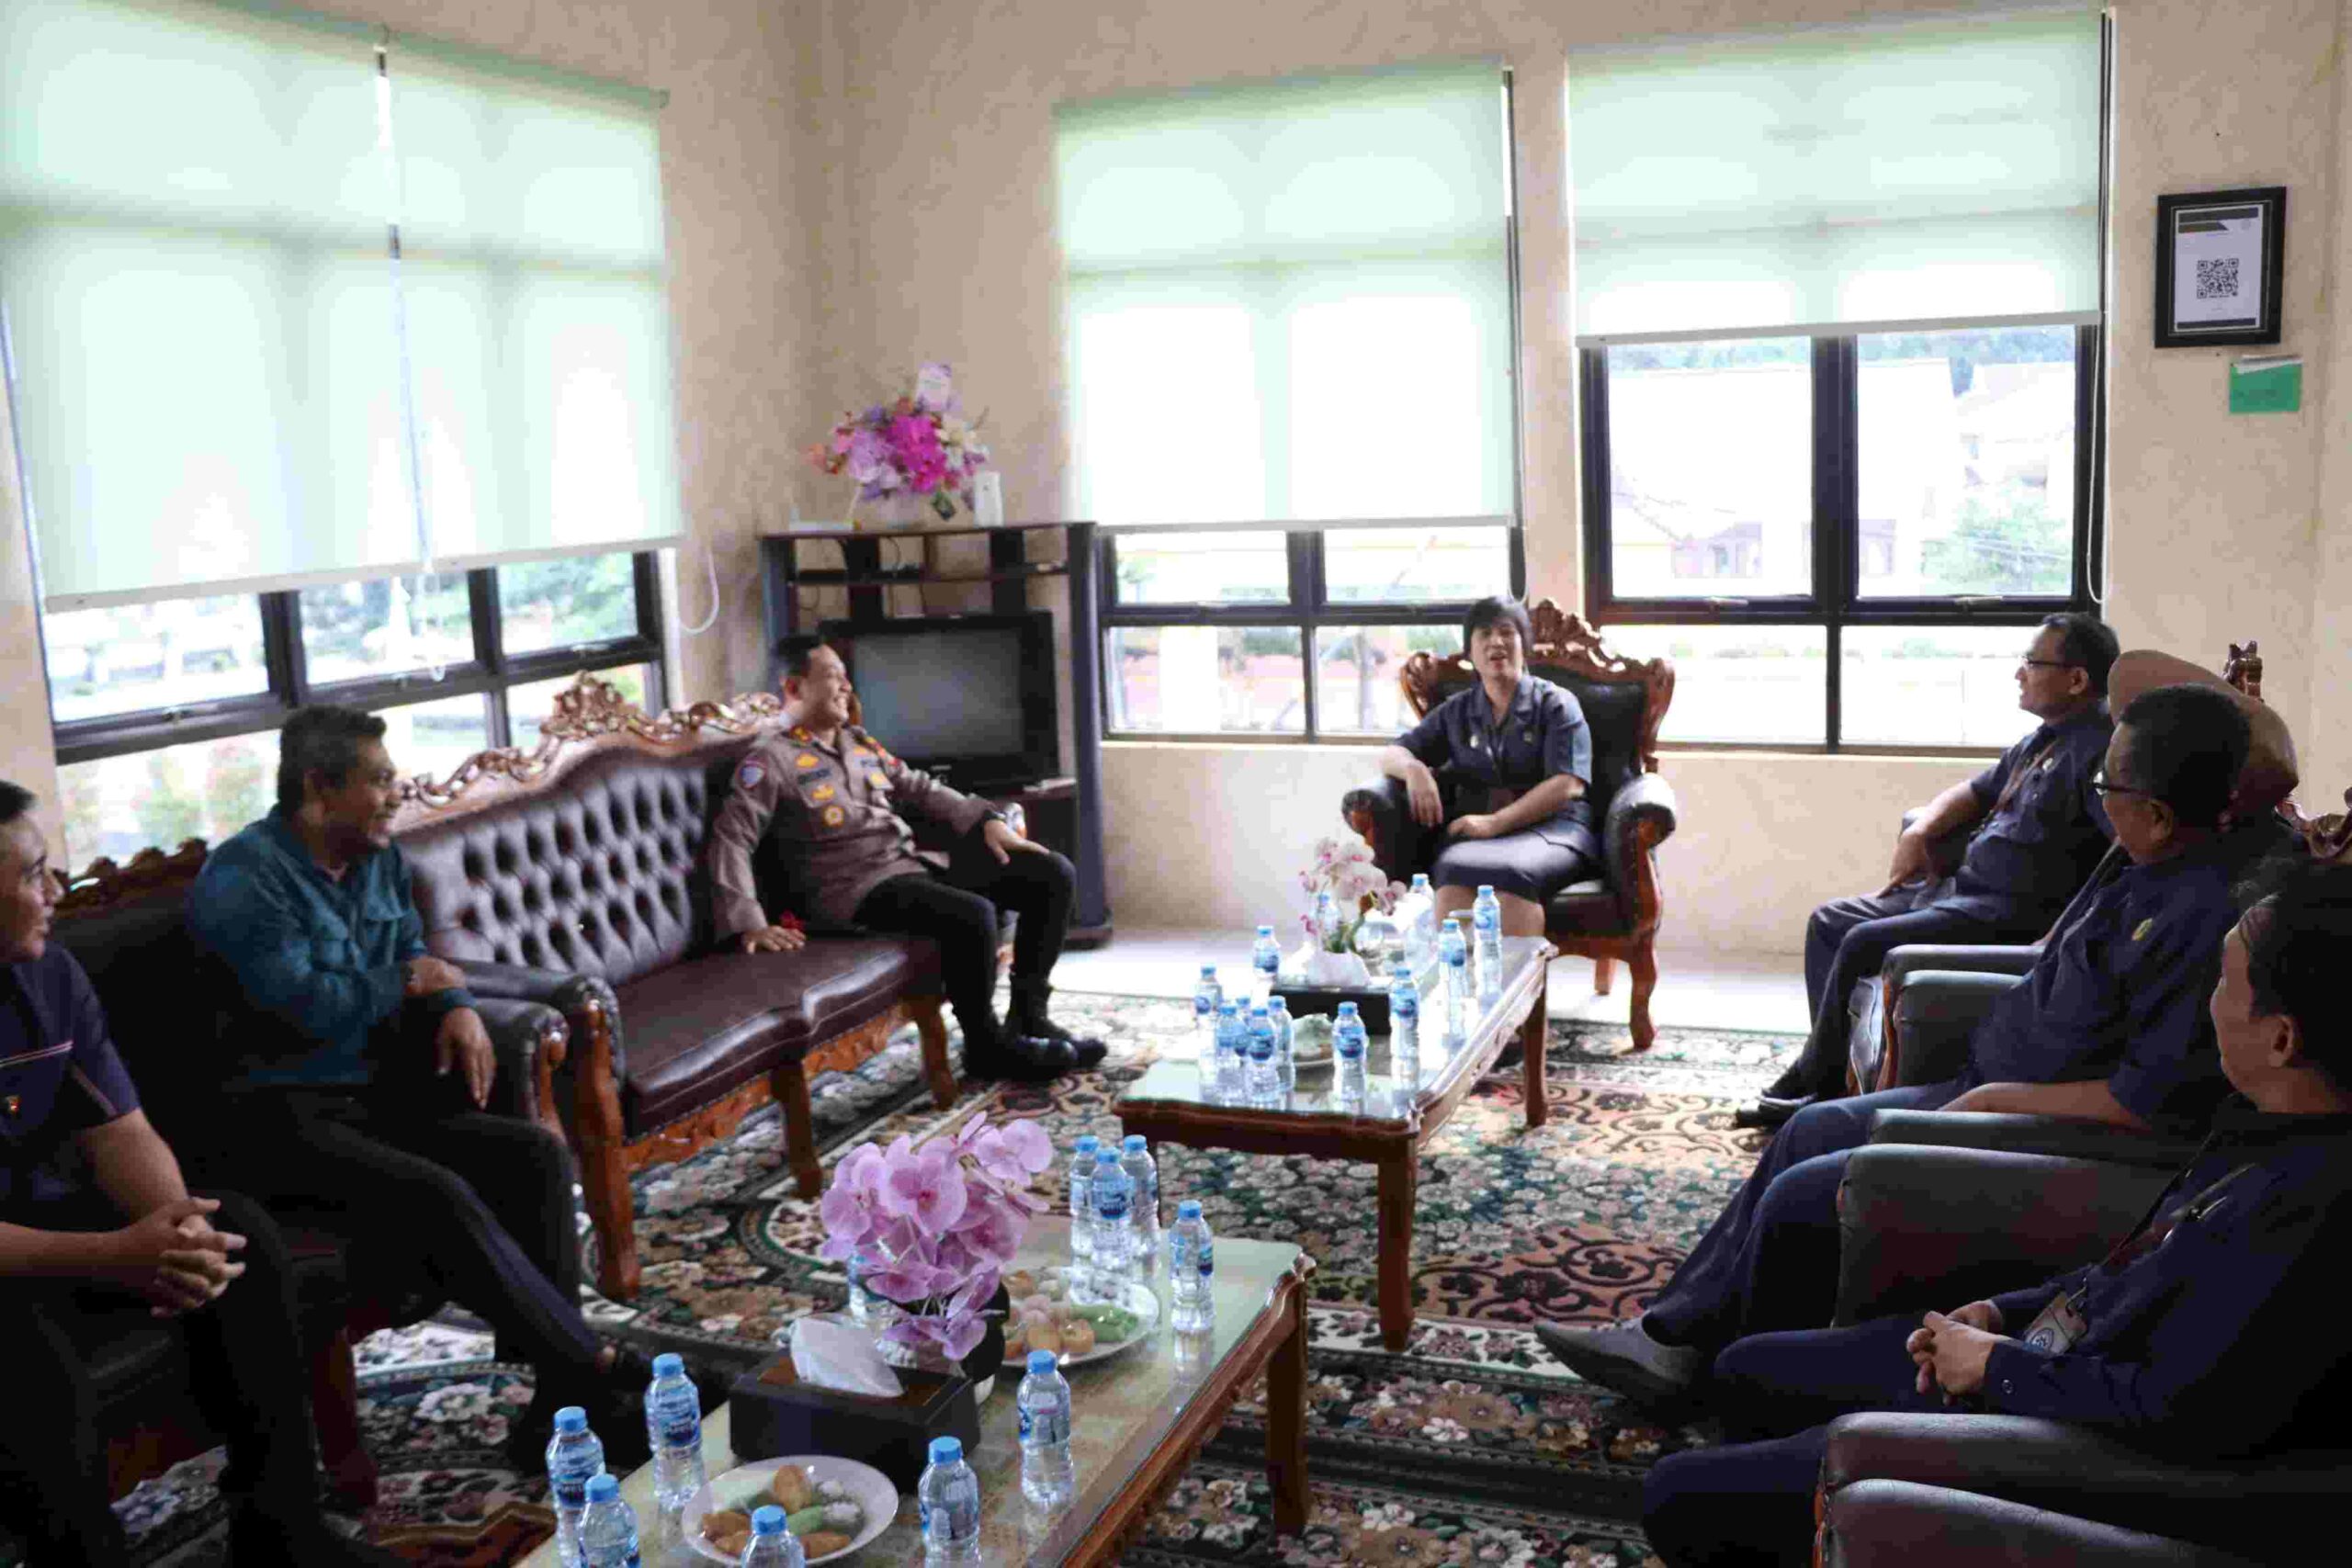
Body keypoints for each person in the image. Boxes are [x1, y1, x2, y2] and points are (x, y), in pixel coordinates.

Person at [1534, 684, 2250, 1404]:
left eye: (2107, 785)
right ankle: (1670, 1335)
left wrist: (1996, 1097)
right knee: (1803, 1130)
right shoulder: (2137, 856)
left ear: (2158, 814)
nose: (2098, 795)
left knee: (1800, 1193)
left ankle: (1719, 1369)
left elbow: (2140, 1103)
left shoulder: (2199, 917)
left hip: (2025, 1120)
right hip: (1981, 1080)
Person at [1639, 856, 2352, 1566]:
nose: (2208, 1002)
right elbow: (2125, 1270)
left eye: (2224, 984)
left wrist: (1995, 1367)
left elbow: (2172, 1411)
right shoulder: (2257, 1125)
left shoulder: (2309, 1214)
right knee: (1745, 1370)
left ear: (2282, 1037)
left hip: (2058, 1433)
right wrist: (2000, 1312)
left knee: (1677, 1495)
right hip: (2043, 1353)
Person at [184, 706, 668, 1469]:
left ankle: (559, 1408)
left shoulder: (375, 857)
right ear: (318, 788)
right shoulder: (245, 879)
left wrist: (457, 1005)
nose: (396, 792)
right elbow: (304, 1007)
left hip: (371, 1101)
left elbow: (416, 950)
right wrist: (409, 980)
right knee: (438, 1194)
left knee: (535, 1157)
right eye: (379, 780)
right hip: (271, 1122)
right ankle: (597, 1367)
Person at [0, 782, 403, 1567]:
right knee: (25, 1358)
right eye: (30, 874)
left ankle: (280, 1527)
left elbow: (121, 1130)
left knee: (235, 1235)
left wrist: (179, 1229)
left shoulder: (49, 975)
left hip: (41, 1219)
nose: (53, 890)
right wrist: (113, 1255)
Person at [1744, 614, 2120, 1128]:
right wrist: (1919, 832)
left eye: (2032, 663)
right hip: (1957, 892)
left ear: (2076, 679)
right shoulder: (2043, 740)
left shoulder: (2098, 752)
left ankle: (1811, 1083)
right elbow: (1972, 792)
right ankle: (1830, 1067)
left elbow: (2120, 850)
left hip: (2004, 914)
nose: (2019, 674)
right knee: (1830, 921)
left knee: (1862, 940)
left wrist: (2062, 929)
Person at [709, 636, 1105, 1083]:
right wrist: (750, 922)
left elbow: (919, 787)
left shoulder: (858, 743)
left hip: (905, 869)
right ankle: (986, 1047)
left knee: (1050, 874)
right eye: (833, 677)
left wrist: (987, 820)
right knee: (971, 914)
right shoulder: (770, 761)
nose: (846, 687)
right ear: (795, 687)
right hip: (847, 893)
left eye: (845, 676)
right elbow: (733, 837)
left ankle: (1029, 1017)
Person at [1377, 595, 1597, 937]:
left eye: (1507, 633)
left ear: (1525, 646)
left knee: (1511, 877)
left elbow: (1568, 783)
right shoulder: (1458, 710)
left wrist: (1495, 823)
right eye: (1484, 634)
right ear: (1470, 652)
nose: (1496, 642)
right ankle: (1459, 973)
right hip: (1481, 833)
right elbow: (1393, 753)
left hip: (1553, 829)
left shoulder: (1556, 703)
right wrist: (1414, 770)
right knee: (1452, 871)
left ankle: (1519, 974)